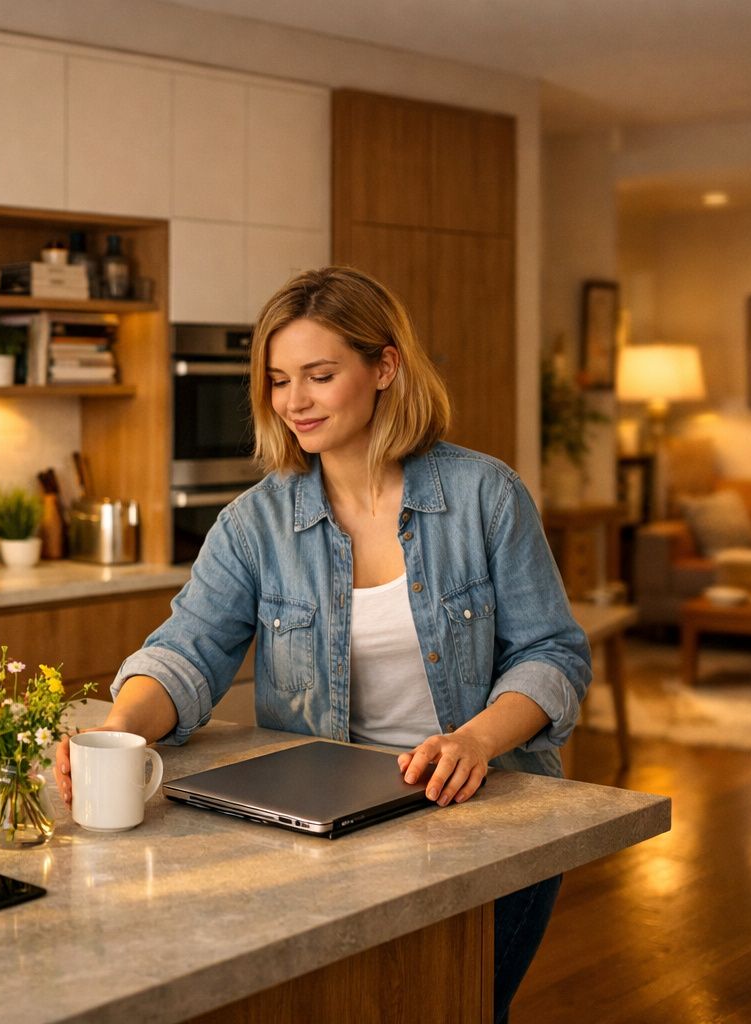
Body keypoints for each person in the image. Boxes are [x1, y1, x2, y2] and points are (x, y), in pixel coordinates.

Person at [54, 266, 590, 1023]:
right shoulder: (254, 524)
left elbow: (553, 654)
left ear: (384, 368)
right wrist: (113, 737)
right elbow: (186, 651)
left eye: (319, 375)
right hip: (324, 825)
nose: (293, 401)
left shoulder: (486, 497)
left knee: (454, 1008)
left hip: (488, 811)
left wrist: (473, 739)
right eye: (277, 380)